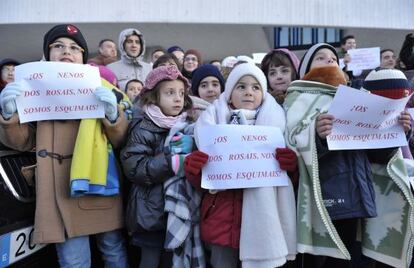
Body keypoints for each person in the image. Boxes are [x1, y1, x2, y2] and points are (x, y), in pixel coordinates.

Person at [0, 24, 129, 268]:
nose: (66, 51)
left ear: (83, 56)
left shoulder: (102, 87)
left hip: (97, 183)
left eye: (74, 48)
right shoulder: (31, 88)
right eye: (58, 46)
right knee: (74, 262)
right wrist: (9, 116)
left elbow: (120, 141)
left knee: (113, 251)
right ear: (47, 55)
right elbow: (22, 142)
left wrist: (113, 115)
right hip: (59, 190)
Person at [284, 43, 412, 268]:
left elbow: (376, 156)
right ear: (305, 69)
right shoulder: (296, 101)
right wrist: (317, 137)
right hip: (323, 204)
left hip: (359, 201)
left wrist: (396, 133)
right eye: (320, 58)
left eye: (333, 58)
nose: (330, 61)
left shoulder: (358, 99)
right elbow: (292, 144)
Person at [184, 63, 297, 268]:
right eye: (241, 86)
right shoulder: (210, 125)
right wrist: (194, 169)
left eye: (256, 87)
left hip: (264, 227)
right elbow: (204, 181)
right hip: (223, 222)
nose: (248, 92)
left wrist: (291, 167)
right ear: (229, 93)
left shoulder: (279, 125)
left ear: (263, 93)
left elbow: (290, 179)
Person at [121, 65, 196, 268]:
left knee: (173, 261)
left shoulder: (188, 125)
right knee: (150, 261)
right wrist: (171, 161)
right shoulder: (142, 126)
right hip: (150, 212)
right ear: (154, 97)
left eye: (181, 93)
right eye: (170, 93)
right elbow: (134, 167)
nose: (178, 98)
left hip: (178, 209)